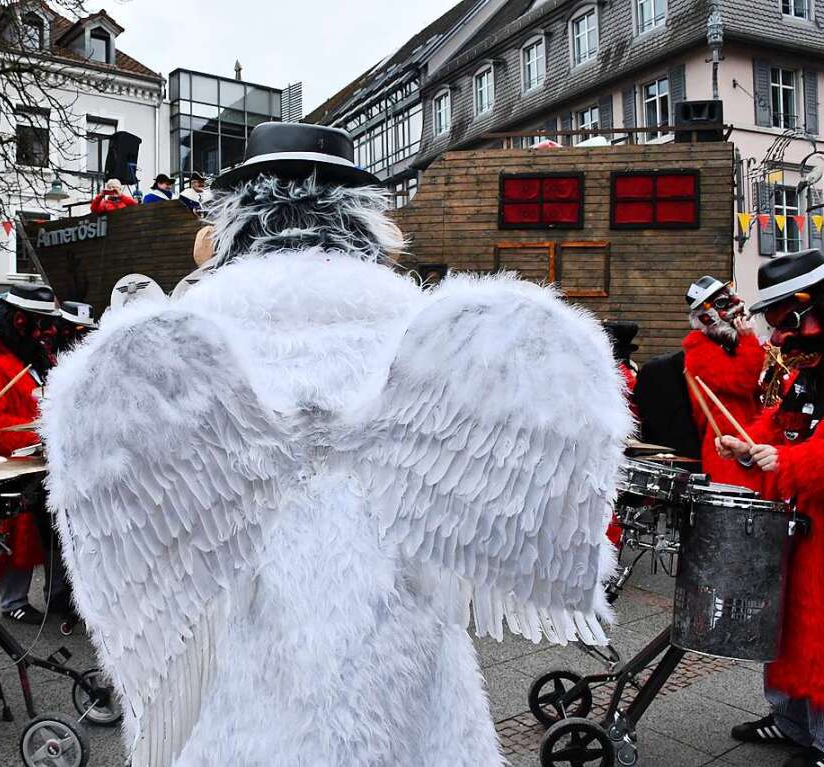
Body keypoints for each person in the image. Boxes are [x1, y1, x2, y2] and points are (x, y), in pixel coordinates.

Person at [42, 122, 630, 766]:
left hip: (247, 633)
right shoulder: (413, 321)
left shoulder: (191, 330)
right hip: (396, 630)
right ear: (358, 217)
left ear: (238, 218)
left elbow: (135, 514)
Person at [718, 249, 824, 767]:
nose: (778, 335)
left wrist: (784, 460)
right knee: (788, 626)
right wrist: (749, 445)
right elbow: (782, 423)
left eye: (785, 318)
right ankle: (790, 721)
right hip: (799, 523)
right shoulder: (807, 370)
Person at [0, 283, 68, 624]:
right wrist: (40, 428)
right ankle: (13, 600)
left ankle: (59, 595)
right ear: (19, 321)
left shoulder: (30, 360)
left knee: (50, 531)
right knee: (13, 535)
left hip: (39, 464)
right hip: (9, 468)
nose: (47, 332)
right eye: (40, 323)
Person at [683, 276, 765, 485]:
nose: (736, 303)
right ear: (705, 318)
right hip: (726, 449)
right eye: (722, 303)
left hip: (751, 440)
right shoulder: (699, 351)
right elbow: (742, 381)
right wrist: (748, 340)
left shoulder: (729, 345)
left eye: (732, 295)